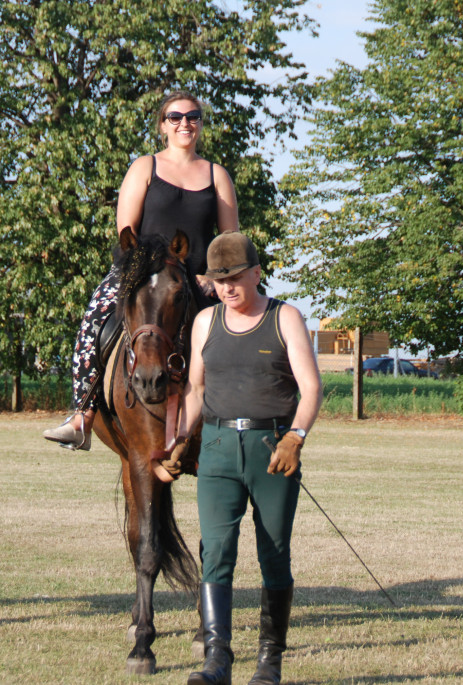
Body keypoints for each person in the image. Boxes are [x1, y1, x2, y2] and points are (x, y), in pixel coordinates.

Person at [166, 232, 322, 685]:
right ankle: (217, 661)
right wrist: (179, 439)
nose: (228, 287)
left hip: (272, 451)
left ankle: (269, 663)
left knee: (274, 554)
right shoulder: (205, 323)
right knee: (215, 551)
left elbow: (311, 387)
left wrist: (296, 435)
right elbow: (195, 389)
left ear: (256, 273)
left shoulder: (285, 318)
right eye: (219, 280)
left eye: (235, 277)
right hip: (215, 450)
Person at [43, 90, 239, 449]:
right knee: (93, 321)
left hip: (198, 280)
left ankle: (252, 421)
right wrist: (140, 271)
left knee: (248, 327)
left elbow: (230, 241)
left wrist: (213, 276)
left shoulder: (217, 175)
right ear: (162, 125)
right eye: (176, 117)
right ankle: (82, 416)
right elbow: (126, 232)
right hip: (141, 273)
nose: (185, 123)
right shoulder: (144, 167)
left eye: (193, 116)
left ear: (200, 124)